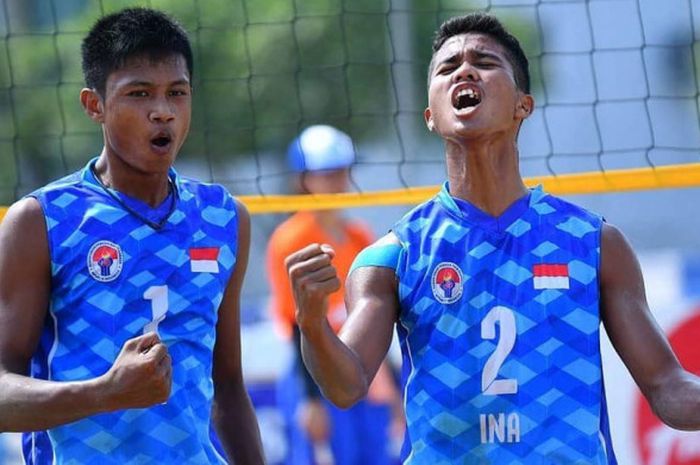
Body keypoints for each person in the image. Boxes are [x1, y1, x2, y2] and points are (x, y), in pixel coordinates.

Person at [285, 12, 700, 464]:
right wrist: (311, 321)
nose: (463, 70)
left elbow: (667, 388)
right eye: (447, 68)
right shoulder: (392, 256)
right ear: (430, 115)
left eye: (484, 61)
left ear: (524, 104)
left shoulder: (595, 243)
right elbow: (346, 385)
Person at [0, 8, 264, 464]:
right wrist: (104, 393)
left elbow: (229, 385)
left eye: (176, 93)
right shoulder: (41, 220)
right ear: (94, 105)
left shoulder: (224, 217)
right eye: (139, 94)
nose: (162, 111)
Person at [267, 125, 403, 465]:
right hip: (313, 369)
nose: (339, 181)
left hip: (362, 365)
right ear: (305, 180)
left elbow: (375, 318)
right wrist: (310, 400)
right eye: (329, 173)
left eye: (343, 171)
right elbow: (296, 323)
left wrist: (394, 387)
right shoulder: (289, 239)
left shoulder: (359, 235)